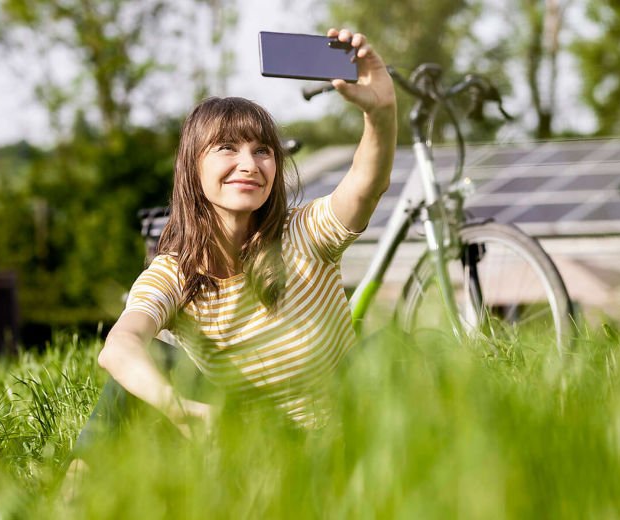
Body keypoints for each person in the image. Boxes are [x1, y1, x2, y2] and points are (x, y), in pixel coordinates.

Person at [64, 27, 395, 481]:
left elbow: (367, 184)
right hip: (251, 448)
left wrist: (382, 112)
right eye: (227, 148)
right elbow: (119, 347)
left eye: (262, 151)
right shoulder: (175, 272)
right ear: (192, 166)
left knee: (399, 346)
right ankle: (71, 499)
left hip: (338, 442)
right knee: (141, 369)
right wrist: (182, 412)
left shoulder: (304, 234)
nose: (249, 164)